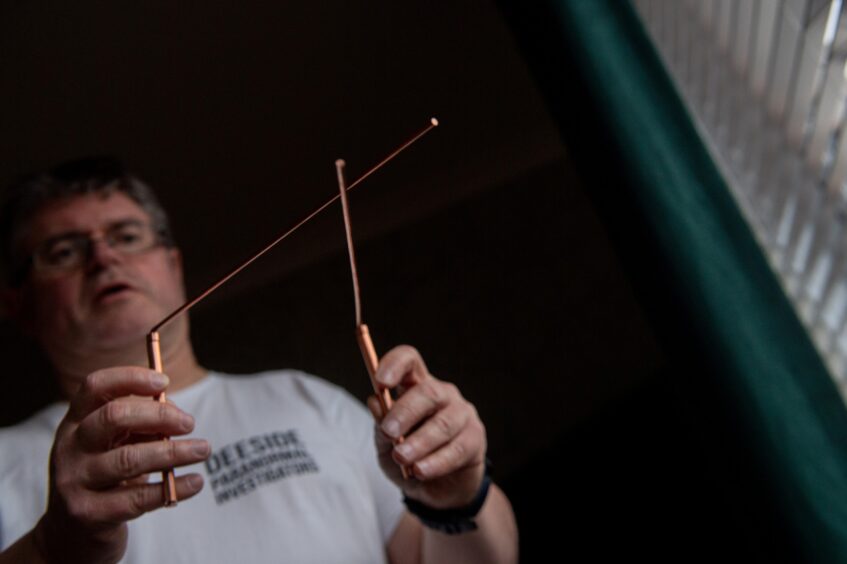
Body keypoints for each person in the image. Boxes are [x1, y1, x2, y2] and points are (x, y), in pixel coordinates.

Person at [0, 157, 518, 563]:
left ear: (174, 266)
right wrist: (50, 552)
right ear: (18, 305)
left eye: (127, 236)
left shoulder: (304, 398)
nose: (104, 258)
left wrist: (459, 499)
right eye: (65, 250)